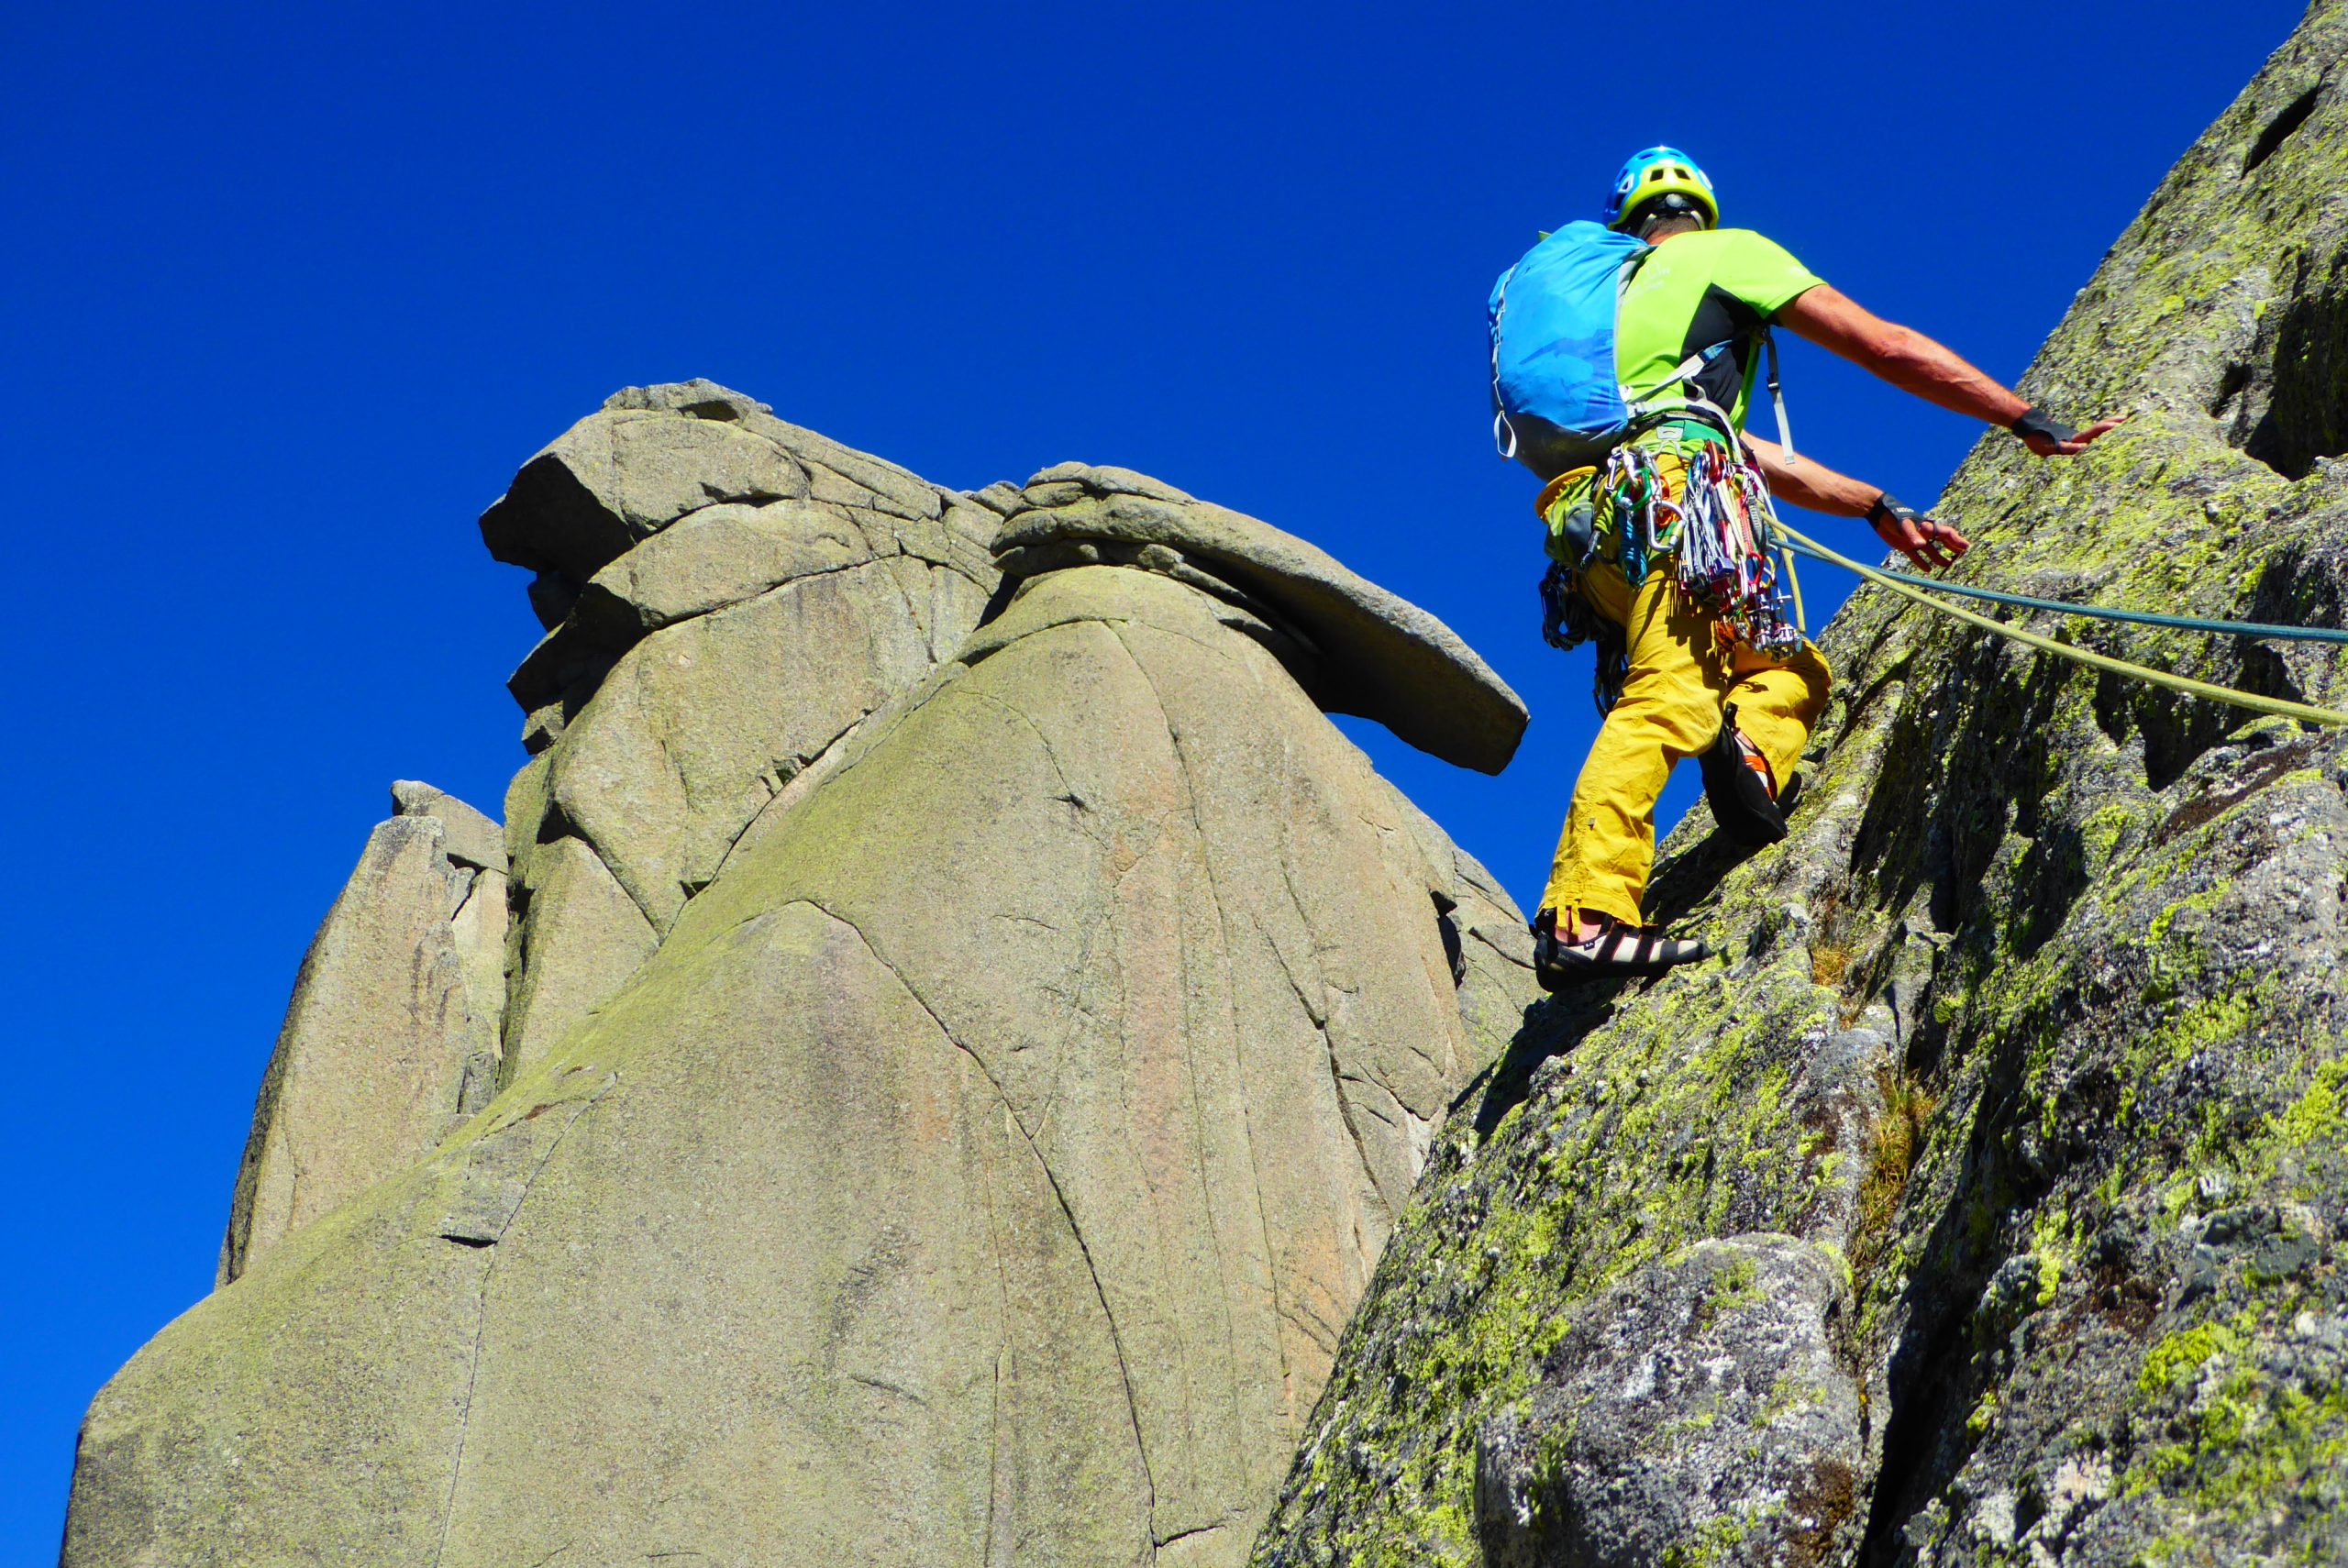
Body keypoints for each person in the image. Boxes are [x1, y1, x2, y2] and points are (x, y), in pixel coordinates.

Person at [1492, 147, 2121, 986]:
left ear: (1627, 223)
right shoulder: (1727, 255)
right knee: (1672, 689)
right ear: (1698, 211)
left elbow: (1741, 448)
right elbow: (1884, 346)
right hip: (1676, 498)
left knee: (1789, 669)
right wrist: (2022, 416)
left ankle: (1745, 754)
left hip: (1596, 532)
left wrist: (1875, 508)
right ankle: (1584, 913)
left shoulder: (1627, 328)